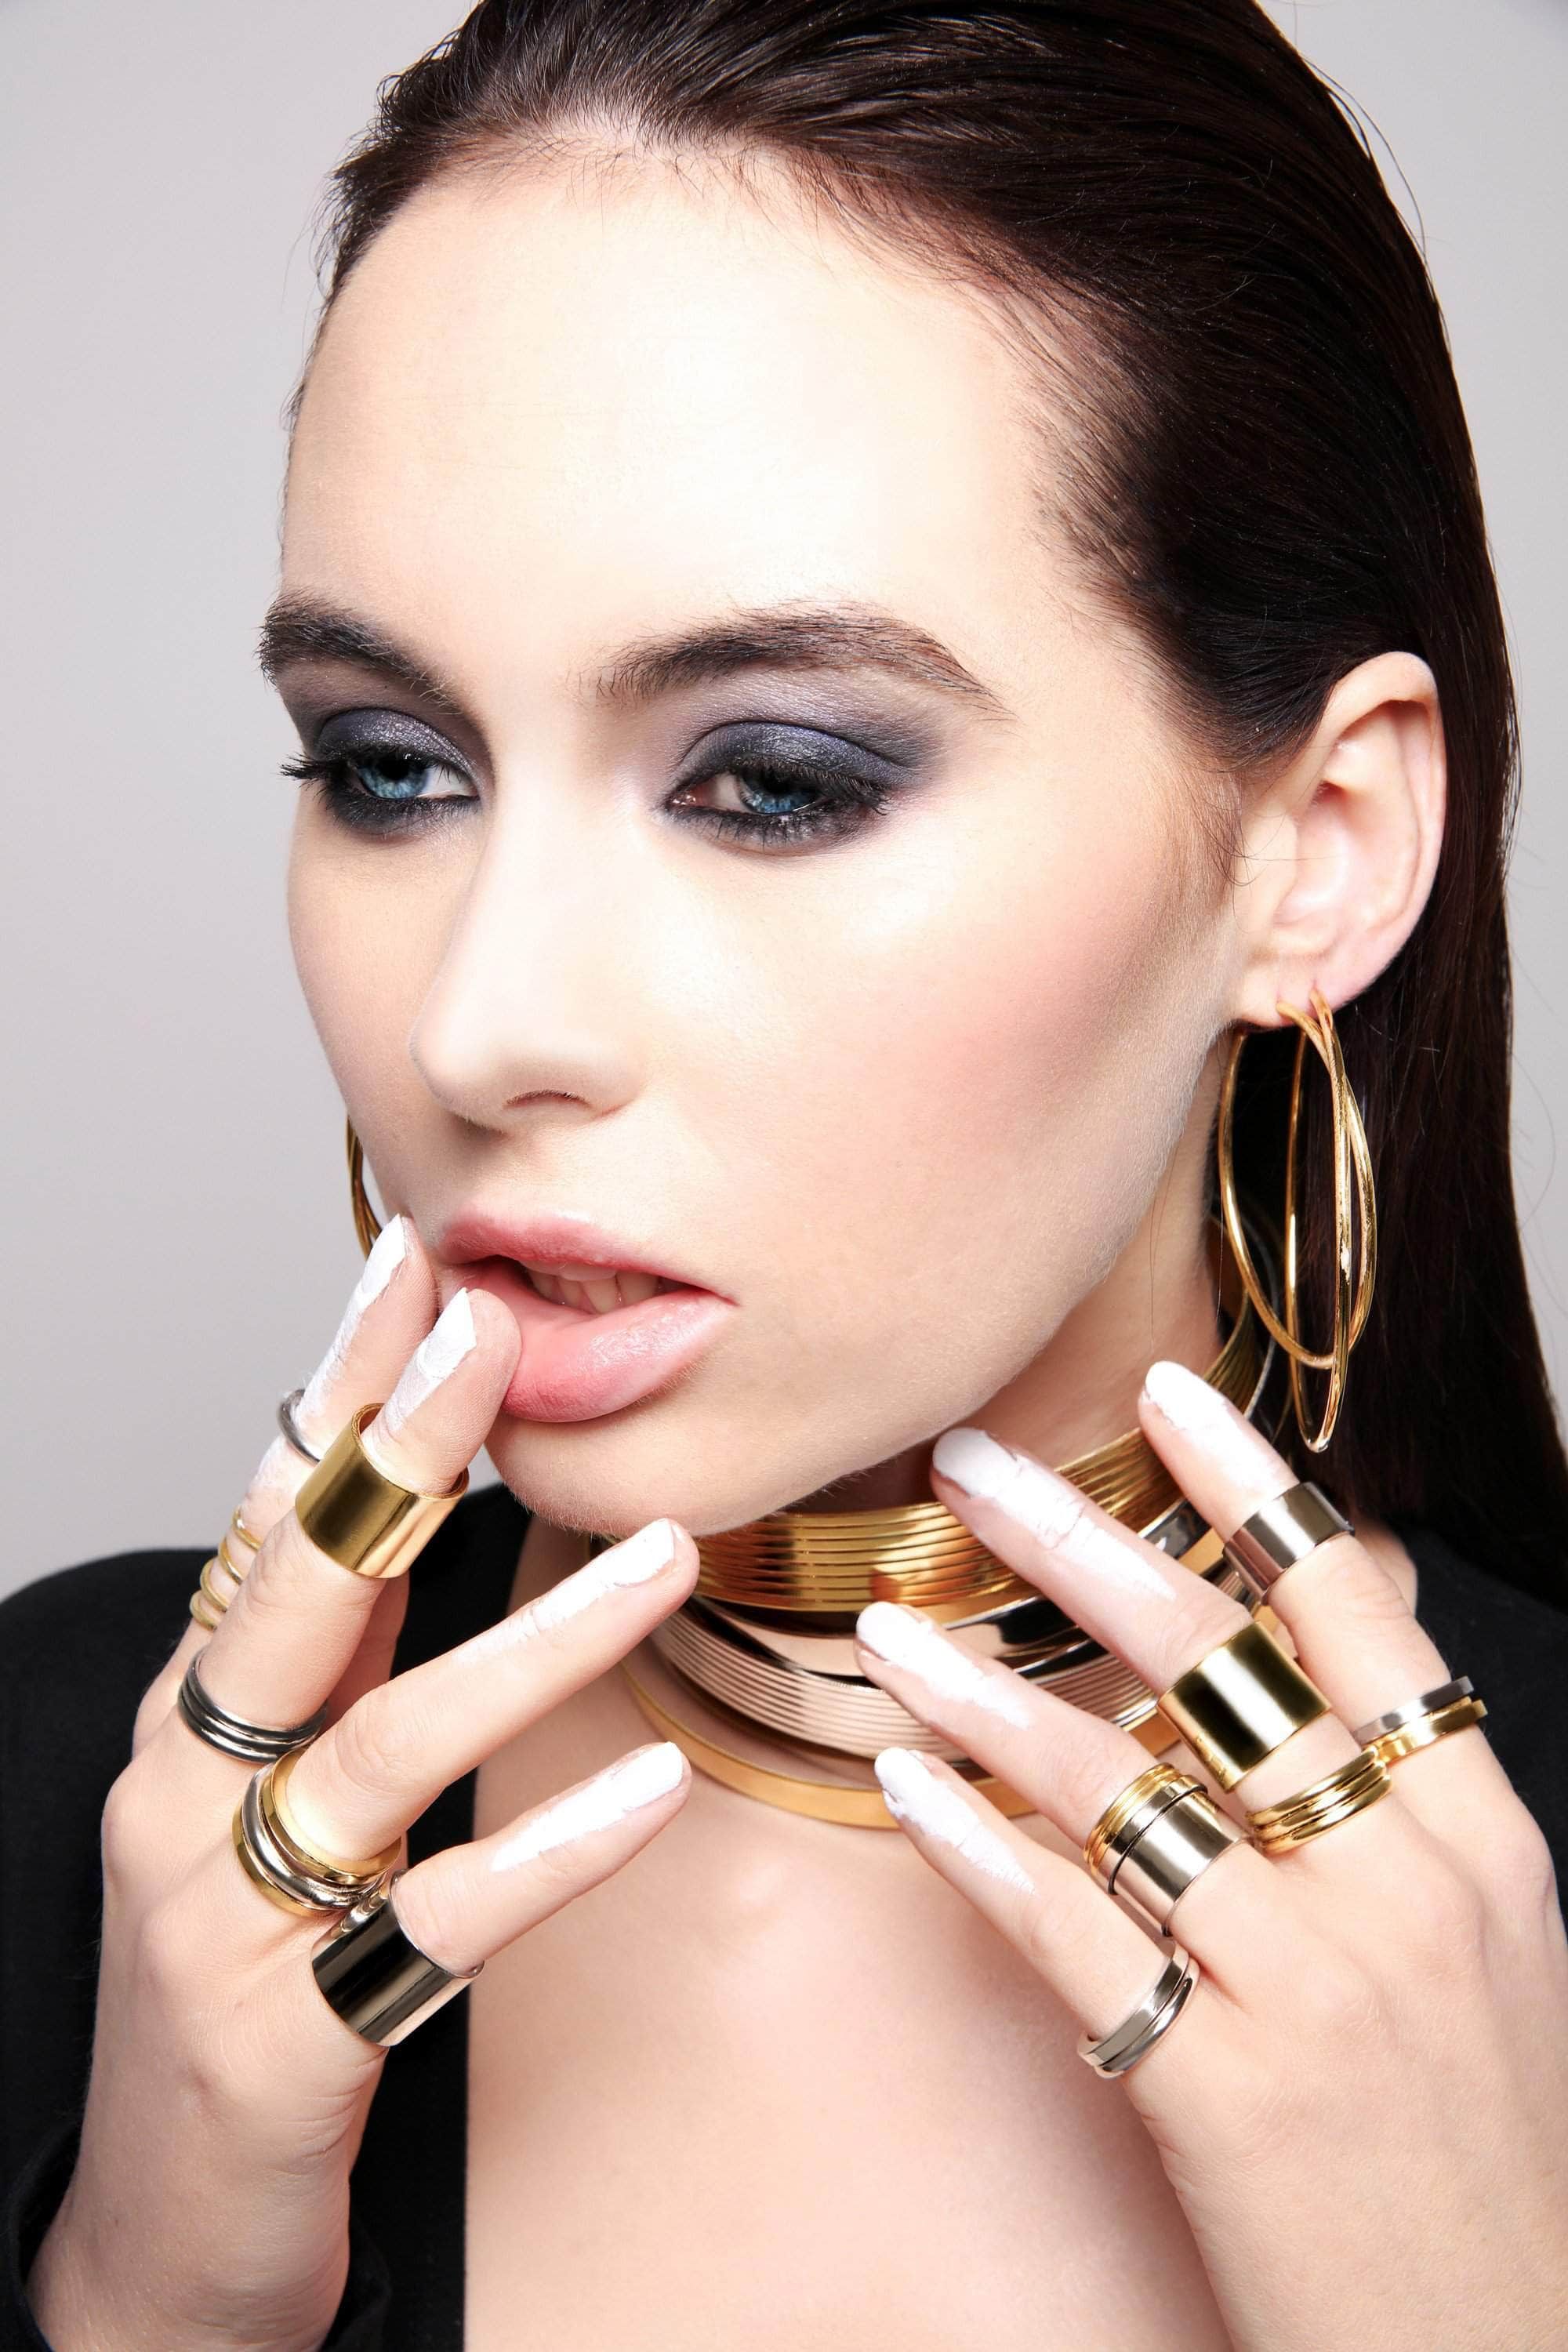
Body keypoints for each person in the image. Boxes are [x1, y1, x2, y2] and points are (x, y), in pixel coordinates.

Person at [6, 2, 1568, 2344]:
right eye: (390, 765)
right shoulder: (72, 1803)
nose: (481, 1023)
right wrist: (147, 2297)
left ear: (1316, 851)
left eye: (774, 782)